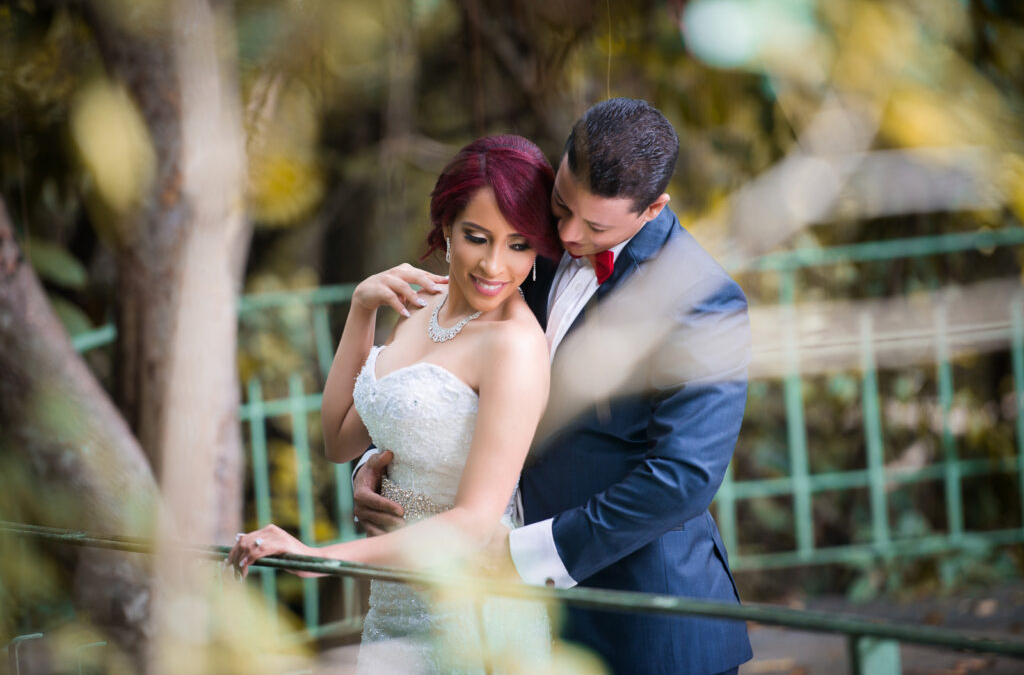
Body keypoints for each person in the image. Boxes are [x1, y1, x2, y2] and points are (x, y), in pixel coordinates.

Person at [354, 98, 754, 674]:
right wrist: (391, 460)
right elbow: (463, 380)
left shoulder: (702, 301)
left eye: (593, 226)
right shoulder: (525, 242)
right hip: (521, 625)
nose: (564, 234)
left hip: (644, 623)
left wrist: (526, 554)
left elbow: (681, 479)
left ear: (653, 208)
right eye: (561, 206)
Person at [228, 134, 563, 673]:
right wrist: (362, 308)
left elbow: (475, 521)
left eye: (520, 245)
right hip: (393, 603)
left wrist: (324, 559)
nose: (495, 266)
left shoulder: (515, 345)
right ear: (446, 229)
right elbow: (339, 439)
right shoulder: (421, 304)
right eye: (477, 238)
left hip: (471, 611)